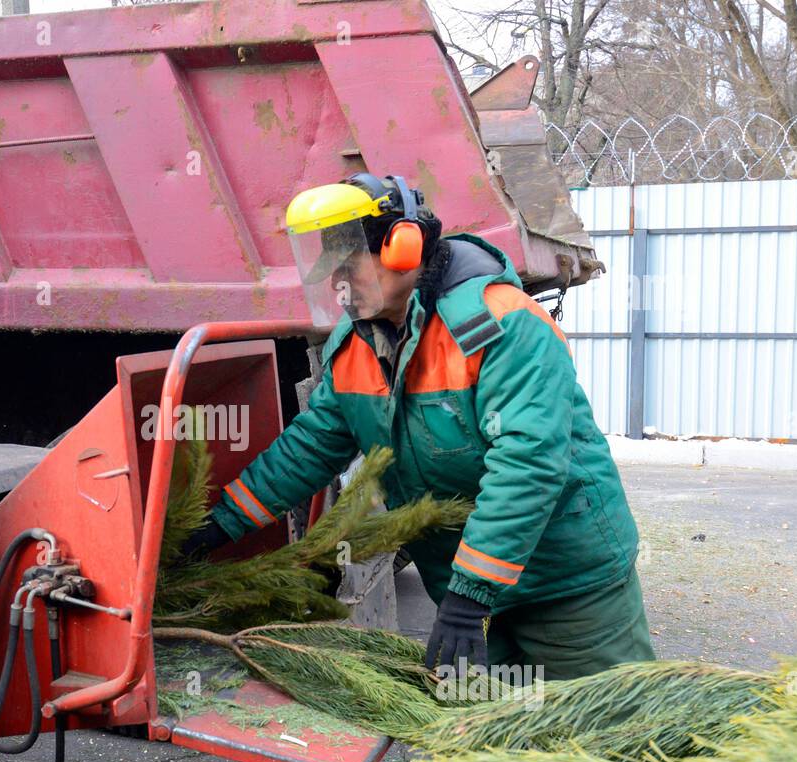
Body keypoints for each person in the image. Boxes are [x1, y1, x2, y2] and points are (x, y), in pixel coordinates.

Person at [182, 172, 654, 684]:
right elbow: (311, 448)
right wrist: (220, 524)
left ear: (402, 247)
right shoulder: (356, 344)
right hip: (470, 587)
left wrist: (469, 595)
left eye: (349, 264)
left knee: (613, 732)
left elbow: (528, 464)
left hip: (569, 585)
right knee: (494, 748)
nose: (338, 283)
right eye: (329, 270)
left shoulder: (501, 326)